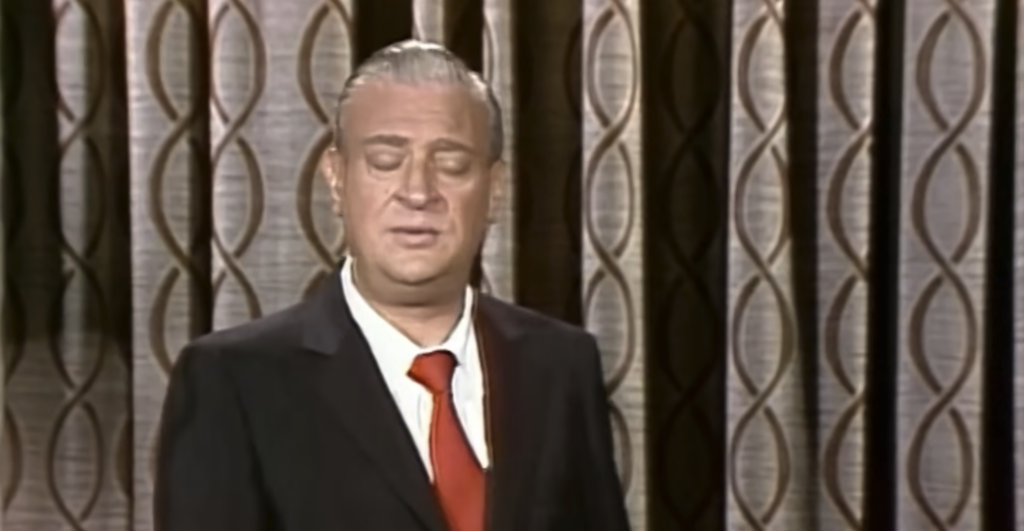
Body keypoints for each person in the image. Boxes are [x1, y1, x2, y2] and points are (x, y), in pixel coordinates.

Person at [153, 40, 631, 531]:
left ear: (495, 191)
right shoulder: (233, 381)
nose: (418, 192)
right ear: (336, 179)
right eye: (385, 161)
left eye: (451, 164)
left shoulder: (560, 365)